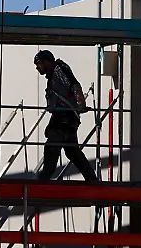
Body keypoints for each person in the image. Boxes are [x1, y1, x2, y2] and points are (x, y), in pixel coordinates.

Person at [34, 50, 99, 181]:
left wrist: (81, 104)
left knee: (52, 149)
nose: (38, 67)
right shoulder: (55, 74)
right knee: (72, 151)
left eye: (39, 63)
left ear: (47, 61)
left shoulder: (59, 70)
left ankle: (44, 181)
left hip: (63, 118)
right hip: (66, 118)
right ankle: (92, 179)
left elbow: (74, 85)